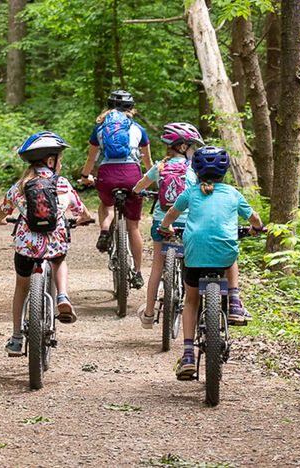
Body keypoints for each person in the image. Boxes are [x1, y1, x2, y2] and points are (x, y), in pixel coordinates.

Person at [159, 146, 264, 380]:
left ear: (195, 170)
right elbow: (254, 218)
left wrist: (165, 228)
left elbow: (170, 216)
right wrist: (257, 228)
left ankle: (187, 354)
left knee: (191, 301)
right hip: (224, 253)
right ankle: (234, 300)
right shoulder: (233, 194)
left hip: (195, 254)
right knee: (231, 252)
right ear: (225, 171)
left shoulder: (190, 193)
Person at [0, 131, 92, 357]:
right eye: (59, 158)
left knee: (21, 287)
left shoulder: (20, 185)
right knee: (60, 260)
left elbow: (1, 212)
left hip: (26, 247)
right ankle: (63, 296)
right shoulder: (62, 184)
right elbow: (81, 211)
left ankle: (17, 337)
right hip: (54, 243)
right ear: (50, 160)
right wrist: (83, 218)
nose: (61, 162)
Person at [132, 122, 203, 329]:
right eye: (192, 147)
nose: (193, 151)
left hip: (162, 223)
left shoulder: (160, 166)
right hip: (187, 223)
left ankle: (148, 313)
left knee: (157, 267)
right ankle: (195, 310)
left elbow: (139, 186)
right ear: (183, 147)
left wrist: (138, 192)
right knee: (190, 263)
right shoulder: (193, 169)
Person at [80, 90, 153, 289]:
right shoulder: (138, 129)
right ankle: (137, 273)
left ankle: (104, 231)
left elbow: (91, 158)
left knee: (106, 204)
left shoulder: (100, 128)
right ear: (131, 109)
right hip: (132, 175)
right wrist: (152, 180)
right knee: (133, 227)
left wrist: (85, 176)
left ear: (108, 107)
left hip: (107, 174)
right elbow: (147, 161)